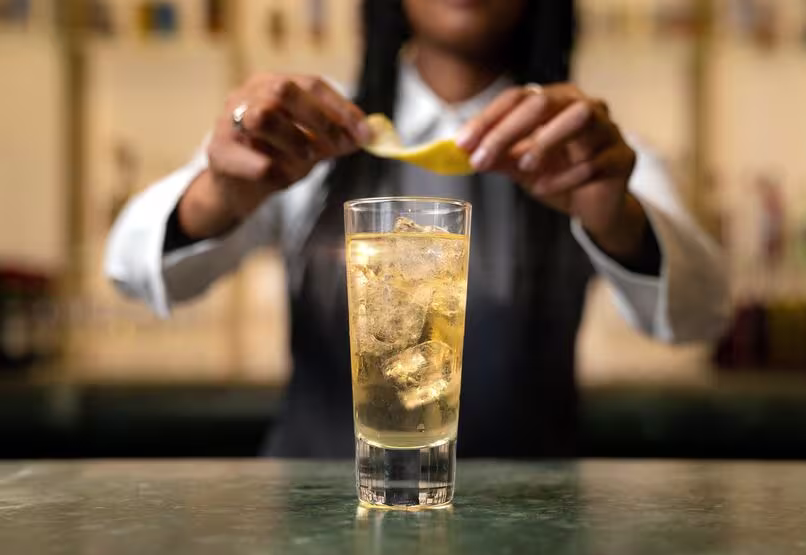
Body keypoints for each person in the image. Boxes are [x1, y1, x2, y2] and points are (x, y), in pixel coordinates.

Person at [105, 0, 728, 458]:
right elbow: (132, 270)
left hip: (528, 542)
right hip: (315, 536)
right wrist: (220, 191)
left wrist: (615, 215)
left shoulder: (588, 147)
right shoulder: (308, 128)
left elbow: (702, 312)